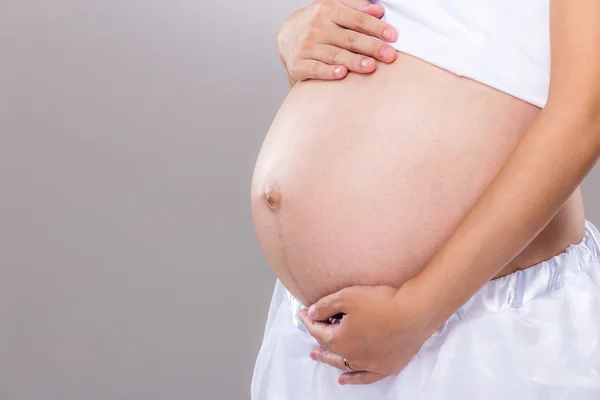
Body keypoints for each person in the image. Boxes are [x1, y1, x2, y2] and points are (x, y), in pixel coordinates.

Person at [250, 0, 600, 398]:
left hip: (478, 331)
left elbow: (586, 112)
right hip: (333, 337)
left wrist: (418, 311)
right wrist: (298, 35)